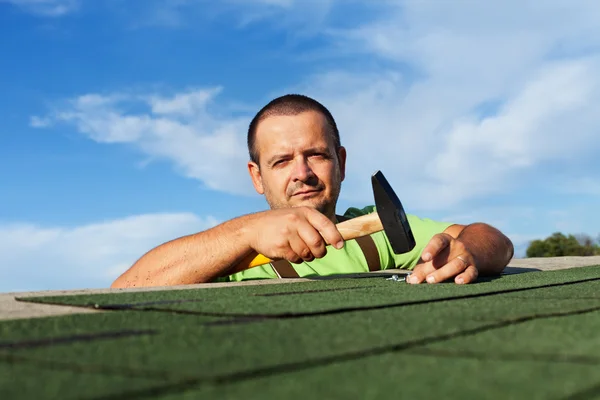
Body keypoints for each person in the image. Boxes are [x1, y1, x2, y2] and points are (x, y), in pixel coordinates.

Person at [111, 94, 514, 288]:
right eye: (281, 161)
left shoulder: (374, 231)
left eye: (316, 155)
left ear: (341, 162)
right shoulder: (225, 255)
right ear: (256, 177)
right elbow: (124, 290)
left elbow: (495, 240)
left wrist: (469, 251)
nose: (301, 173)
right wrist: (246, 233)